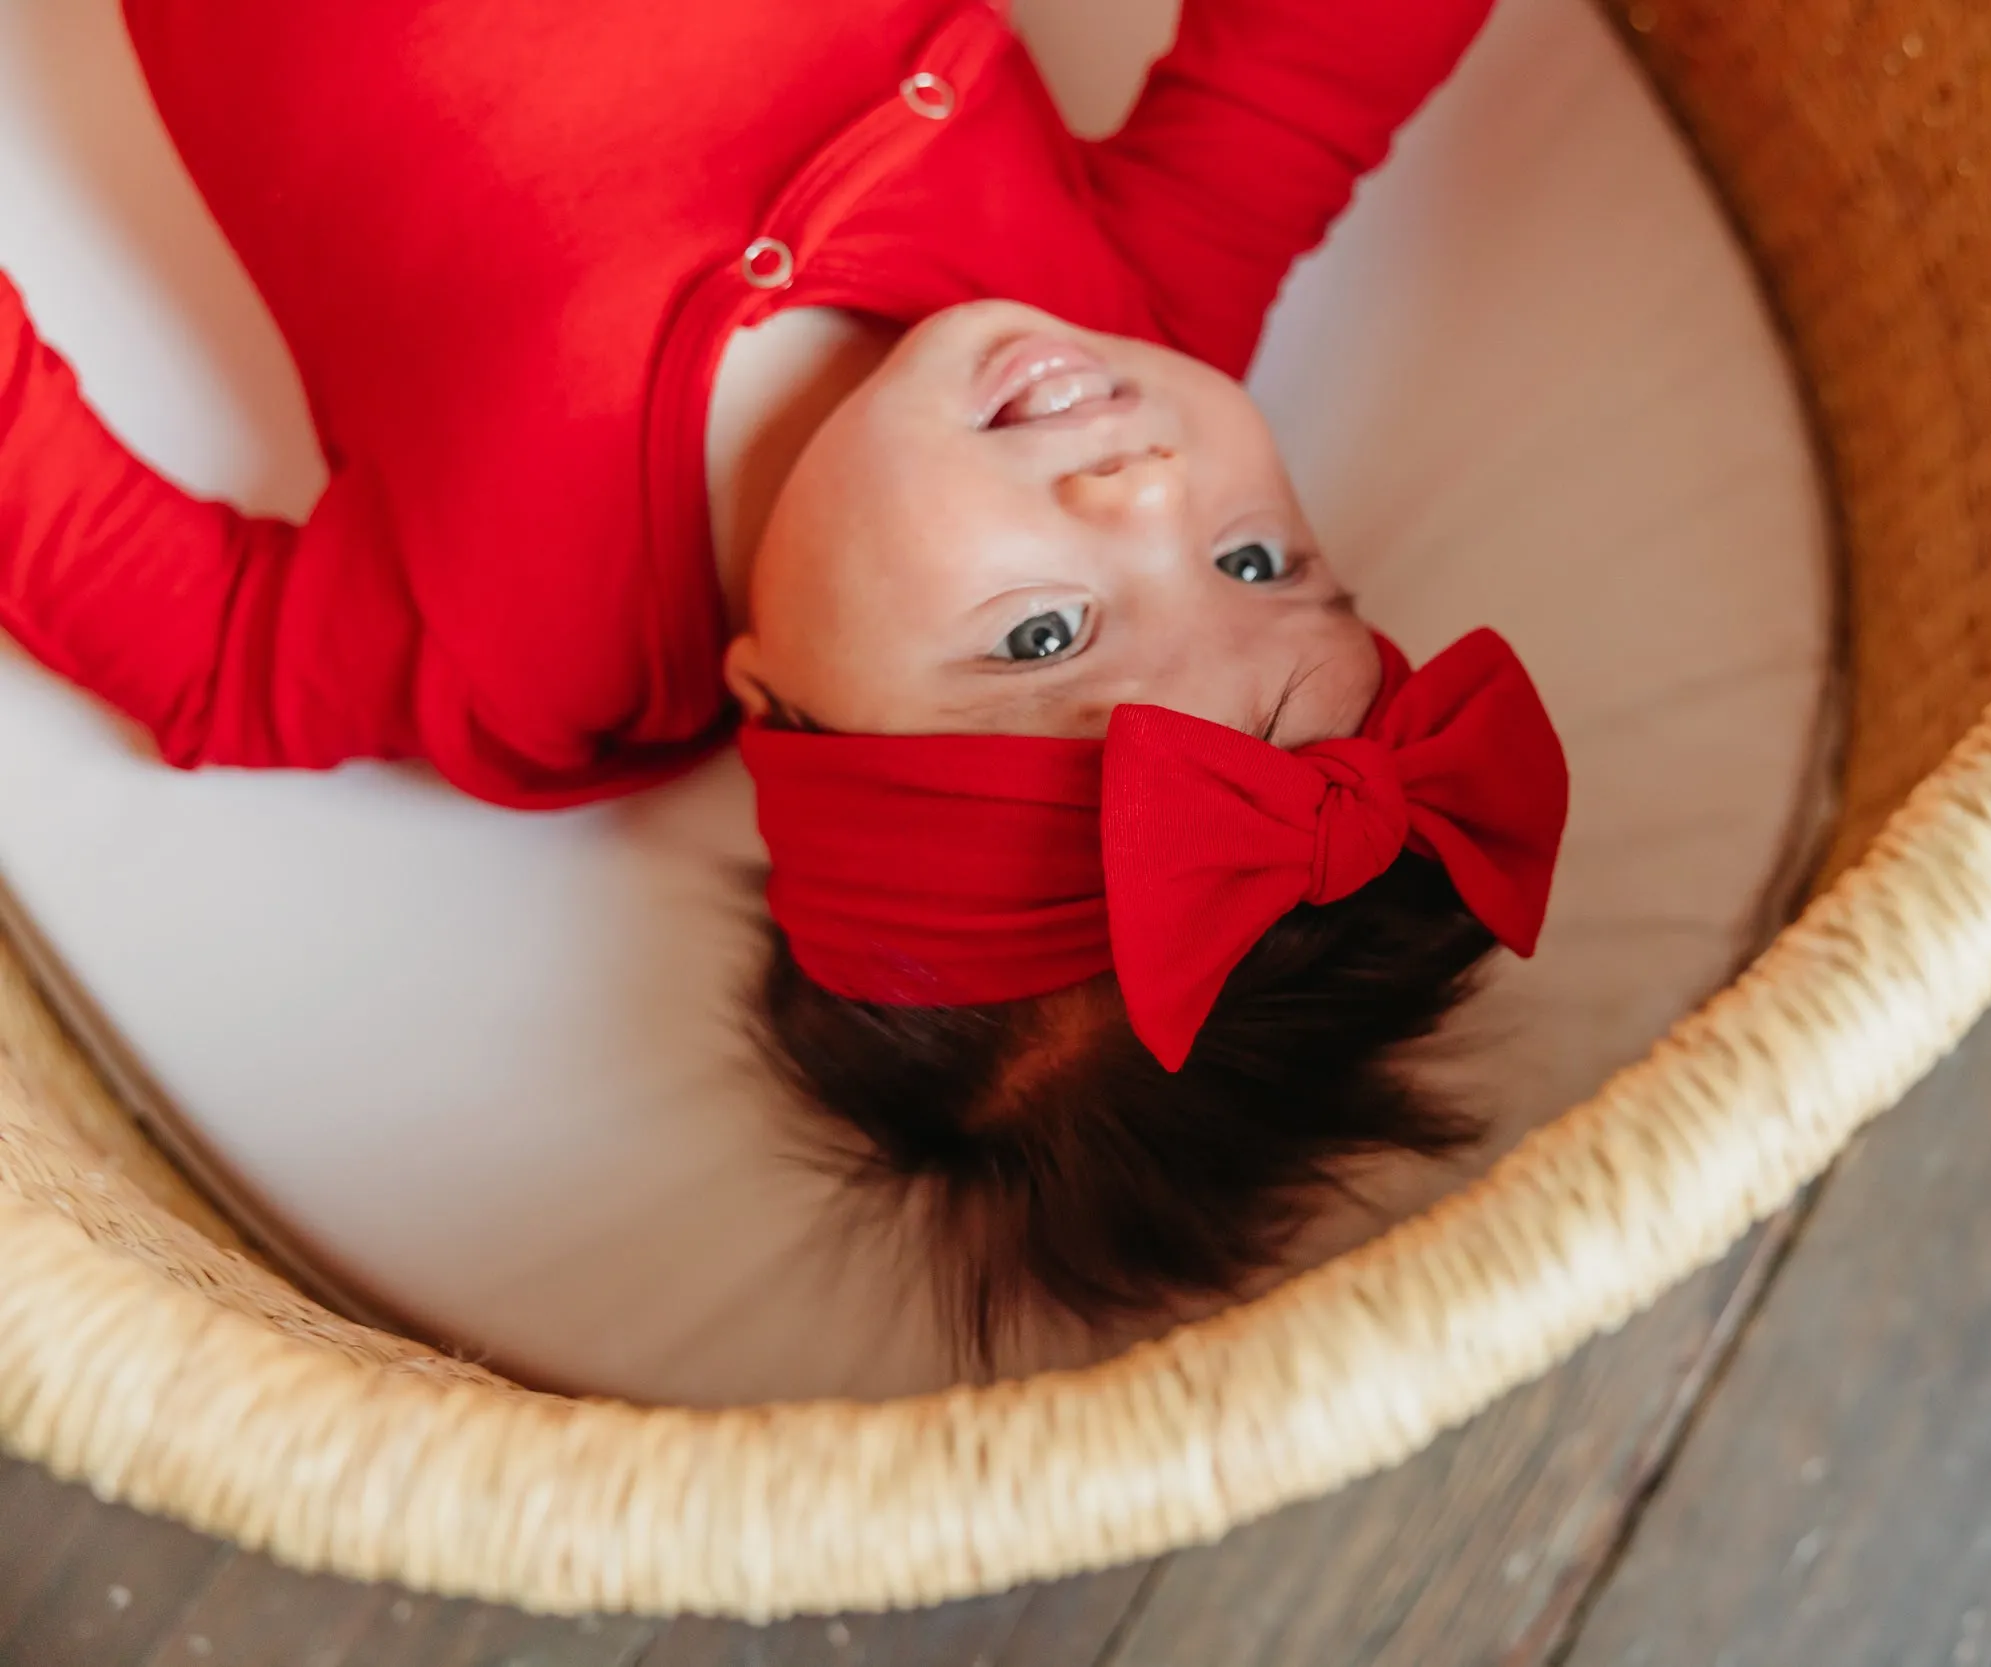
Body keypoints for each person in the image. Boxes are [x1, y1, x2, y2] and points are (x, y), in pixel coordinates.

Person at [0, 0, 1568, 1369]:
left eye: (1045, 638)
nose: (1149, 491)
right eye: (1260, 563)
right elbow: (1311, 76)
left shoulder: (514, 654)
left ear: (788, 711)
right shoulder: (1121, 316)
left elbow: (164, 622)